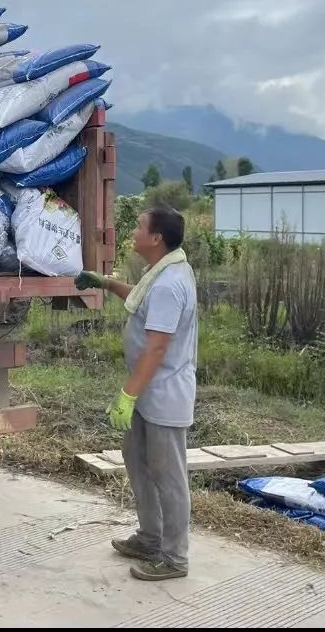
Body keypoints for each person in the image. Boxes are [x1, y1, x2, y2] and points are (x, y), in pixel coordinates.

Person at [76, 205, 198, 582]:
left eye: (139, 226)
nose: (133, 231)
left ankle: (174, 558)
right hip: (149, 391)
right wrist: (108, 283)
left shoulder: (168, 284)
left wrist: (127, 395)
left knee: (168, 476)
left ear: (156, 238)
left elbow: (156, 348)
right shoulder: (161, 272)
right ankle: (150, 538)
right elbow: (142, 302)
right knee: (137, 461)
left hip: (162, 394)